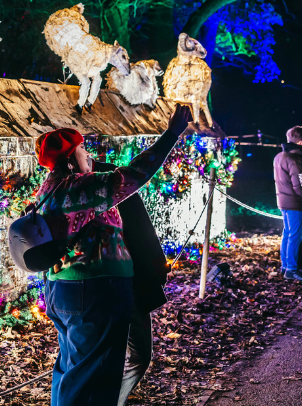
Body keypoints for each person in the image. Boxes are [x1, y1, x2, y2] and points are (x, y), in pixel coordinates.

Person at [35, 104, 192, 406]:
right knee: (96, 379)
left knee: (73, 372)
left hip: (62, 290)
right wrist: (171, 133)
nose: (89, 157)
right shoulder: (80, 187)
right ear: (70, 159)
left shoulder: (48, 189)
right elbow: (136, 174)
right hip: (93, 293)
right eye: (82, 150)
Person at [91, 160, 170, 405]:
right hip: (95, 290)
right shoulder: (67, 188)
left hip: (132, 281)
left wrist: (155, 267)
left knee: (140, 355)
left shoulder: (111, 177)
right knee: (100, 359)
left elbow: (140, 228)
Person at [273, 125, 302, 280]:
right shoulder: (295, 159)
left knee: (288, 233)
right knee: (296, 235)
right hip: (296, 204)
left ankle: (286, 265)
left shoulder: (281, 156)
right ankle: (292, 268)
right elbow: (300, 184)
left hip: (284, 201)